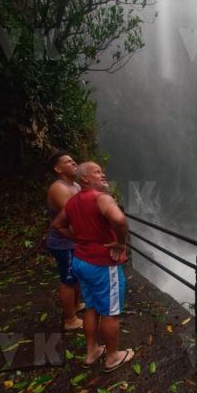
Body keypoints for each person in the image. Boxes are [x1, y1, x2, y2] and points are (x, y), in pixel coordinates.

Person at [52, 162, 134, 372]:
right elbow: (120, 221)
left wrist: (79, 240)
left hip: (81, 262)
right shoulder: (101, 198)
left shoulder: (72, 203)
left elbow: (57, 225)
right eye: (97, 172)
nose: (103, 174)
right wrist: (121, 243)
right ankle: (112, 357)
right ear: (85, 179)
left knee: (91, 307)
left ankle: (92, 351)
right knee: (110, 312)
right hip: (103, 265)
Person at [46, 151, 85, 331]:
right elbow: (75, 214)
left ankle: (76, 306)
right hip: (62, 241)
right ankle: (70, 320)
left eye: (73, 159)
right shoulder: (59, 187)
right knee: (67, 279)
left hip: (74, 240)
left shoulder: (75, 185)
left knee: (75, 275)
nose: (73, 162)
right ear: (58, 168)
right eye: (68, 161)